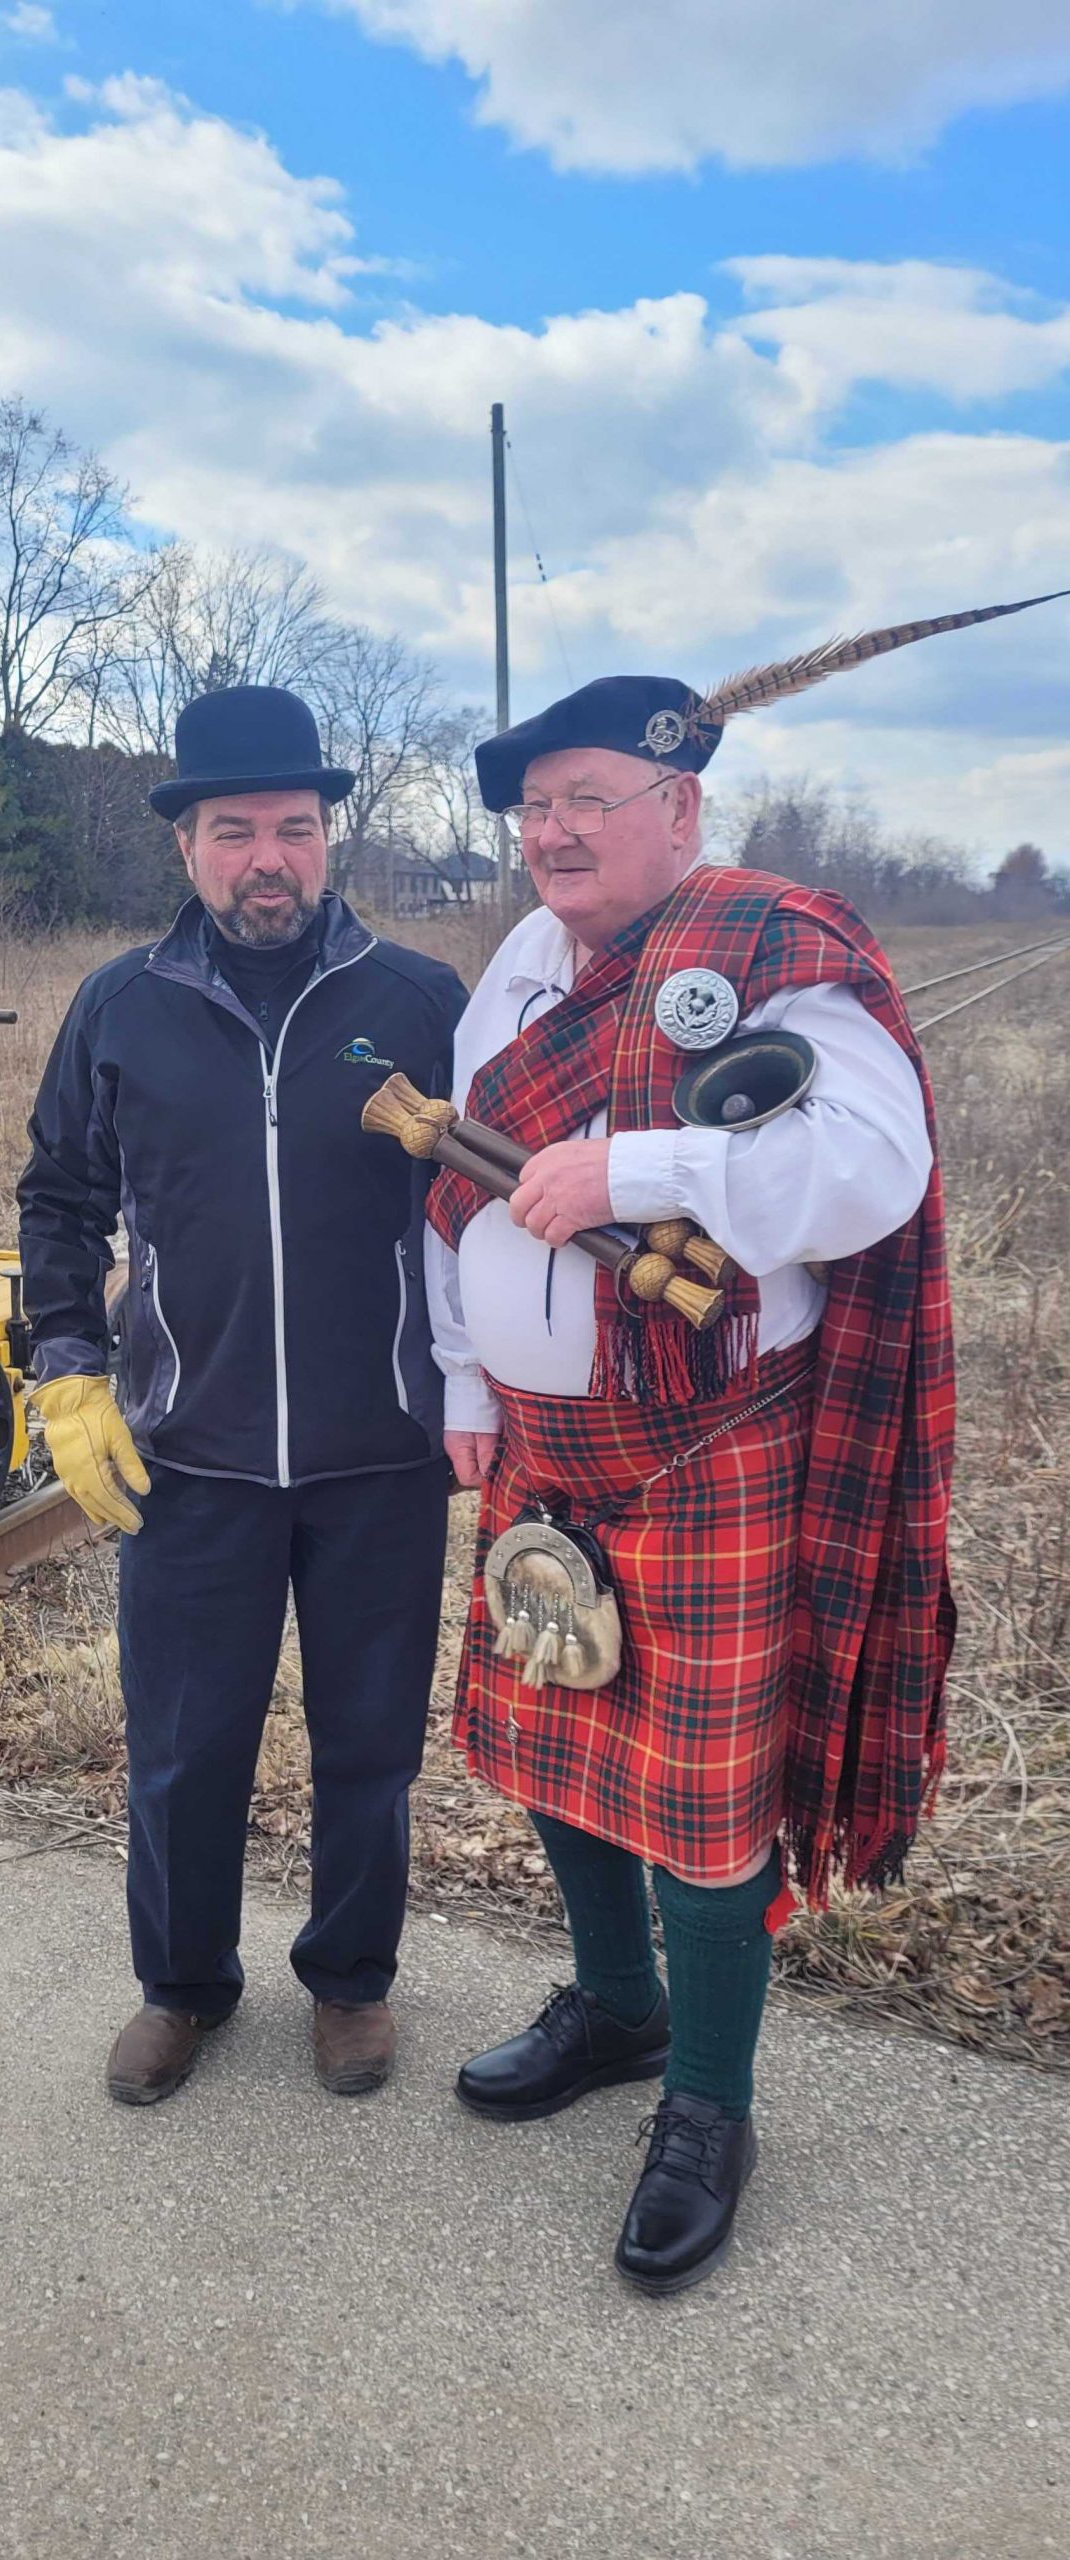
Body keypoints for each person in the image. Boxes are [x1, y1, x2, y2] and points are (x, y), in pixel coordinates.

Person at [423, 618, 987, 2294]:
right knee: (552, 1740)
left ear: (678, 806)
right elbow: (456, 1178)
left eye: (589, 799)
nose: (555, 834)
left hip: (710, 1448)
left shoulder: (767, 937)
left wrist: (638, 1169)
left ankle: (707, 2103)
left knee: (702, 1804)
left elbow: (869, 1161)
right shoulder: (520, 963)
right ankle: (613, 2003)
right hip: (540, 1441)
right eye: (534, 808)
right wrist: (465, 1368)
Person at [19, 684, 466, 2107]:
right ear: (187, 847)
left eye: (292, 826)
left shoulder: (415, 1002)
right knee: (183, 1750)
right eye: (233, 830)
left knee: (370, 1749)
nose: (265, 855)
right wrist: (69, 1361)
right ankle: (183, 1986)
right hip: (187, 1456)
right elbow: (59, 1198)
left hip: (381, 1454)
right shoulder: (120, 1005)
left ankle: (350, 1983)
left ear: (327, 838)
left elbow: (492, 1214)